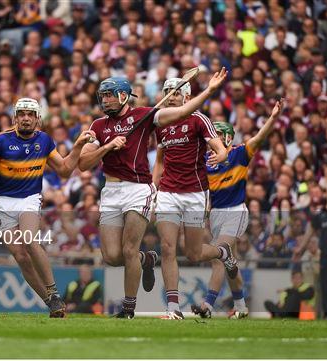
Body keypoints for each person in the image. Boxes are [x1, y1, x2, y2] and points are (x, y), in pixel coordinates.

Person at [79, 68, 228, 319]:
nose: (104, 101)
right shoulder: (98, 125)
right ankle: (146, 259)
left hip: (139, 189)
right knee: (112, 256)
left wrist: (209, 91)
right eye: (102, 96)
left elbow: (182, 112)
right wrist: (107, 146)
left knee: (135, 250)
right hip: (111, 191)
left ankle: (129, 308)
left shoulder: (145, 116)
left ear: (124, 96)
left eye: (110, 96)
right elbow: (83, 163)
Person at [0, 97, 93, 318]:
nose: (26, 118)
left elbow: (65, 170)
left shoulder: (45, 141)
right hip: (2, 202)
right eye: (22, 114)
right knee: (20, 256)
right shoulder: (1, 140)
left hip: (29, 198)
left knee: (30, 241)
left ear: (38, 119)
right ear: (15, 117)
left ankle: (53, 291)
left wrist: (77, 146)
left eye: (30, 115)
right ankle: (50, 302)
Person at [192, 99, 285, 319]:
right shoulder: (203, 160)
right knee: (228, 262)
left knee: (217, 256)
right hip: (215, 215)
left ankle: (207, 306)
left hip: (235, 211)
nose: (212, 139)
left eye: (217, 134)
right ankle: (241, 307)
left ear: (228, 137)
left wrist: (272, 118)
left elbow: (259, 137)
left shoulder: (239, 153)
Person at [151, 75, 231, 319]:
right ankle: (173, 308)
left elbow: (220, 149)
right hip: (167, 192)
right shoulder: (161, 123)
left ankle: (222, 253)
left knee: (193, 254)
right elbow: (160, 161)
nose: (172, 96)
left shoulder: (199, 120)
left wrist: (221, 155)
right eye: (168, 92)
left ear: (186, 96)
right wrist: (154, 188)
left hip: (195, 193)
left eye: (177, 92)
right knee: (167, 248)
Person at [294, 183, 327, 319]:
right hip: (325, 255)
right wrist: (301, 249)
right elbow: (309, 232)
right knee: (326, 286)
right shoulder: (320, 214)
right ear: (326, 195)